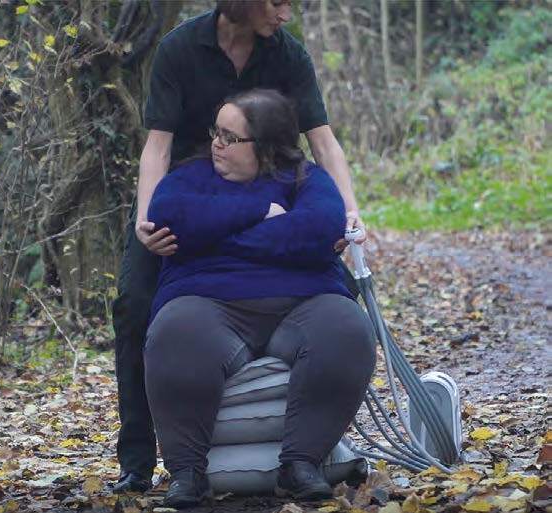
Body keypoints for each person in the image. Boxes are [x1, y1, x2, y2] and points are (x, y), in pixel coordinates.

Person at [112, 0, 367, 493]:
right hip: (188, 194)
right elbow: (157, 146)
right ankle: (140, 459)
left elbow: (323, 142)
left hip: (266, 184)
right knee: (135, 304)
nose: (286, 13)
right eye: (277, 2)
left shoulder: (287, 56)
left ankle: (311, 448)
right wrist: (147, 220)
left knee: (338, 302)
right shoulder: (180, 48)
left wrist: (349, 210)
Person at [143, 89, 377, 509]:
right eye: (216, 131)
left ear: (266, 148)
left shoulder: (307, 179)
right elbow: (170, 218)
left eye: (230, 138)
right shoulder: (188, 177)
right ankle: (187, 472)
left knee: (347, 328)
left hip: (305, 303)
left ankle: (300, 464)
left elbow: (322, 227)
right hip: (206, 303)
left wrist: (214, 239)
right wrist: (260, 211)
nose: (217, 143)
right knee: (174, 333)